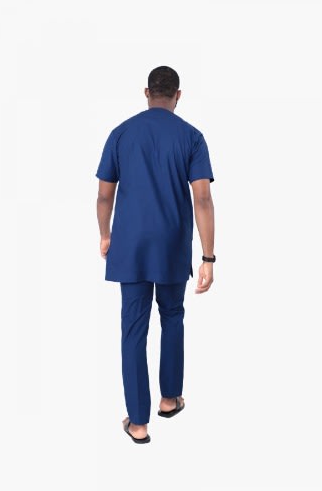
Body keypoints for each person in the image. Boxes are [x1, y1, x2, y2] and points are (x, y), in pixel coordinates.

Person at [95, 66, 216, 444]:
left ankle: (138, 422)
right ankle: (168, 399)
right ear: (178, 95)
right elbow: (202, 198)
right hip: (171, 244)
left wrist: (105, 235)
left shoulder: (120, 133)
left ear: (146, 92)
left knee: (133, 329)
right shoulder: (192, 137)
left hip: (130, 245)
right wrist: (208, 258)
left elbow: (104, 195)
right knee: (173, 316)